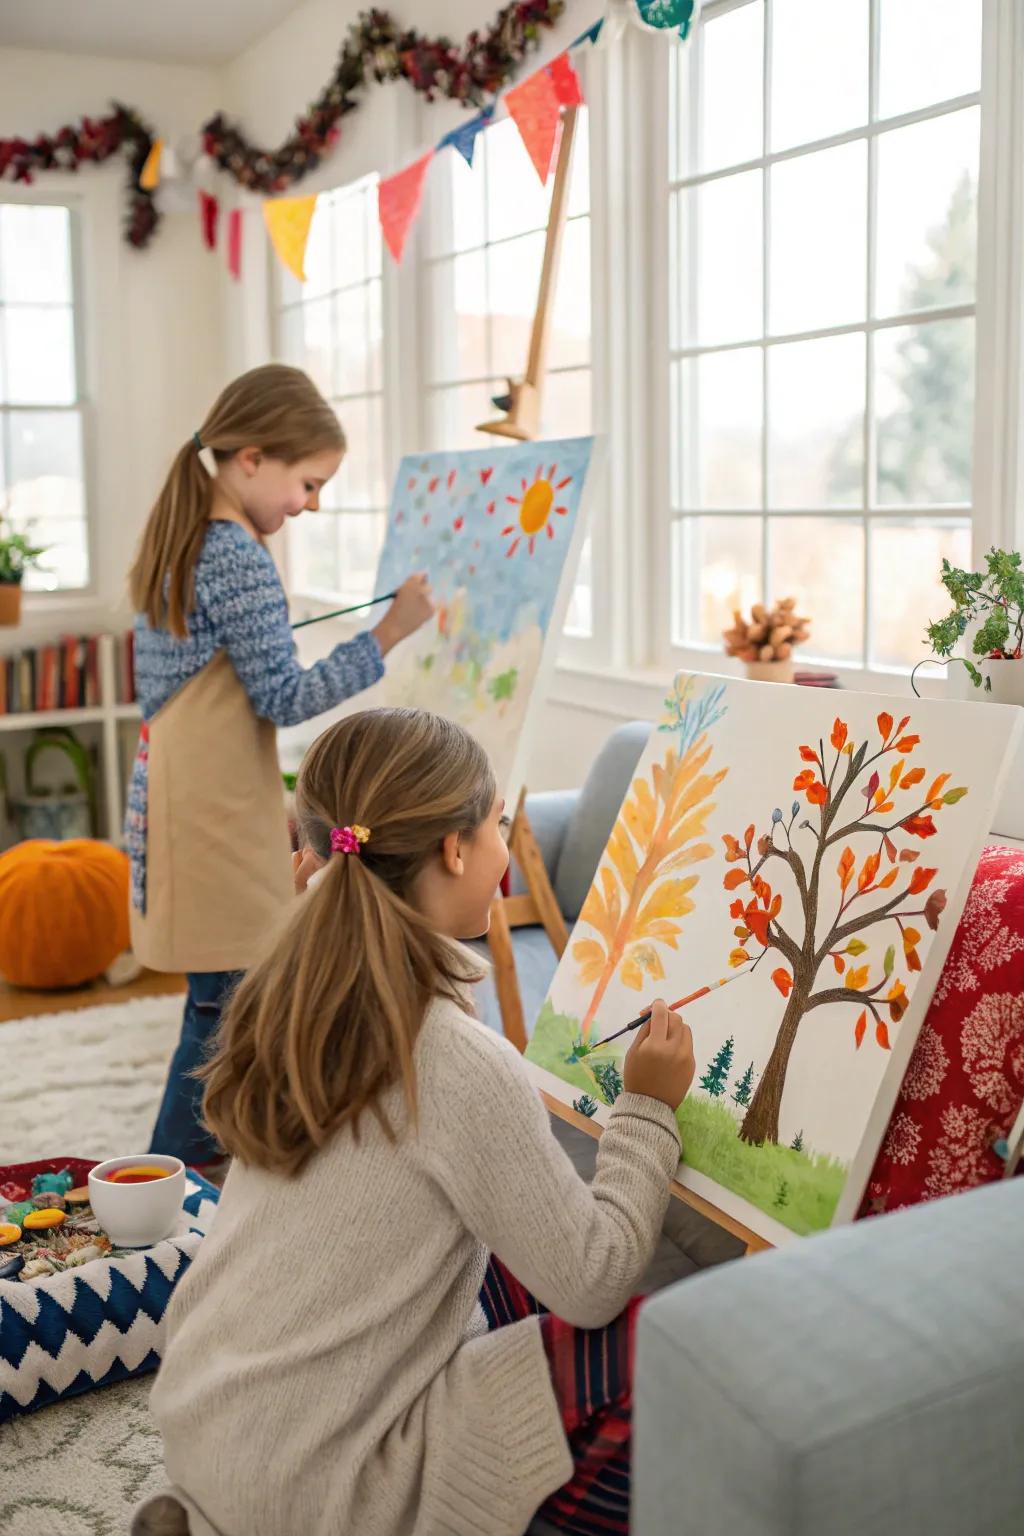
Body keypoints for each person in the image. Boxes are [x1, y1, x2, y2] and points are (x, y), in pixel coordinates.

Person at [133, 707, 696, 1536]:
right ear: (456, 851)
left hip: (207, 1429)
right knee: (681, 1344)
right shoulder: (457, 1061)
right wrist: (646, 1109)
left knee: (500, 1242)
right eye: (498, 822)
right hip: (319, 1488)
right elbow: (594, 1279)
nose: (505, 842)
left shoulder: (291, 1001)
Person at [125, 365, 433, 1167]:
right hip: (210, 809)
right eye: (309, 482)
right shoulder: (234, 554)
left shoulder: (186, 536)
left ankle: (204, 1161)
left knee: (221, 999)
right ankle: (176, 1172)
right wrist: (388, 634)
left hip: (188, 795)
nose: (311, 504)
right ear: (252, 458)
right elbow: (285, 696)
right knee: (225, 1008)